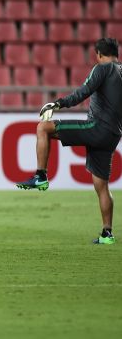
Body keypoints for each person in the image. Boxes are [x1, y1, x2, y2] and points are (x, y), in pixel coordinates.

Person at [16, 38, 122, 245]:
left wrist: (58, 103)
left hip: (97, 127)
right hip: (113, 135)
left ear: (99, 54)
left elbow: (84, 91)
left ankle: (41, 176)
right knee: (101, 185)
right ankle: (107, 233)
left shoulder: (102, 69)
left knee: (43, 127)